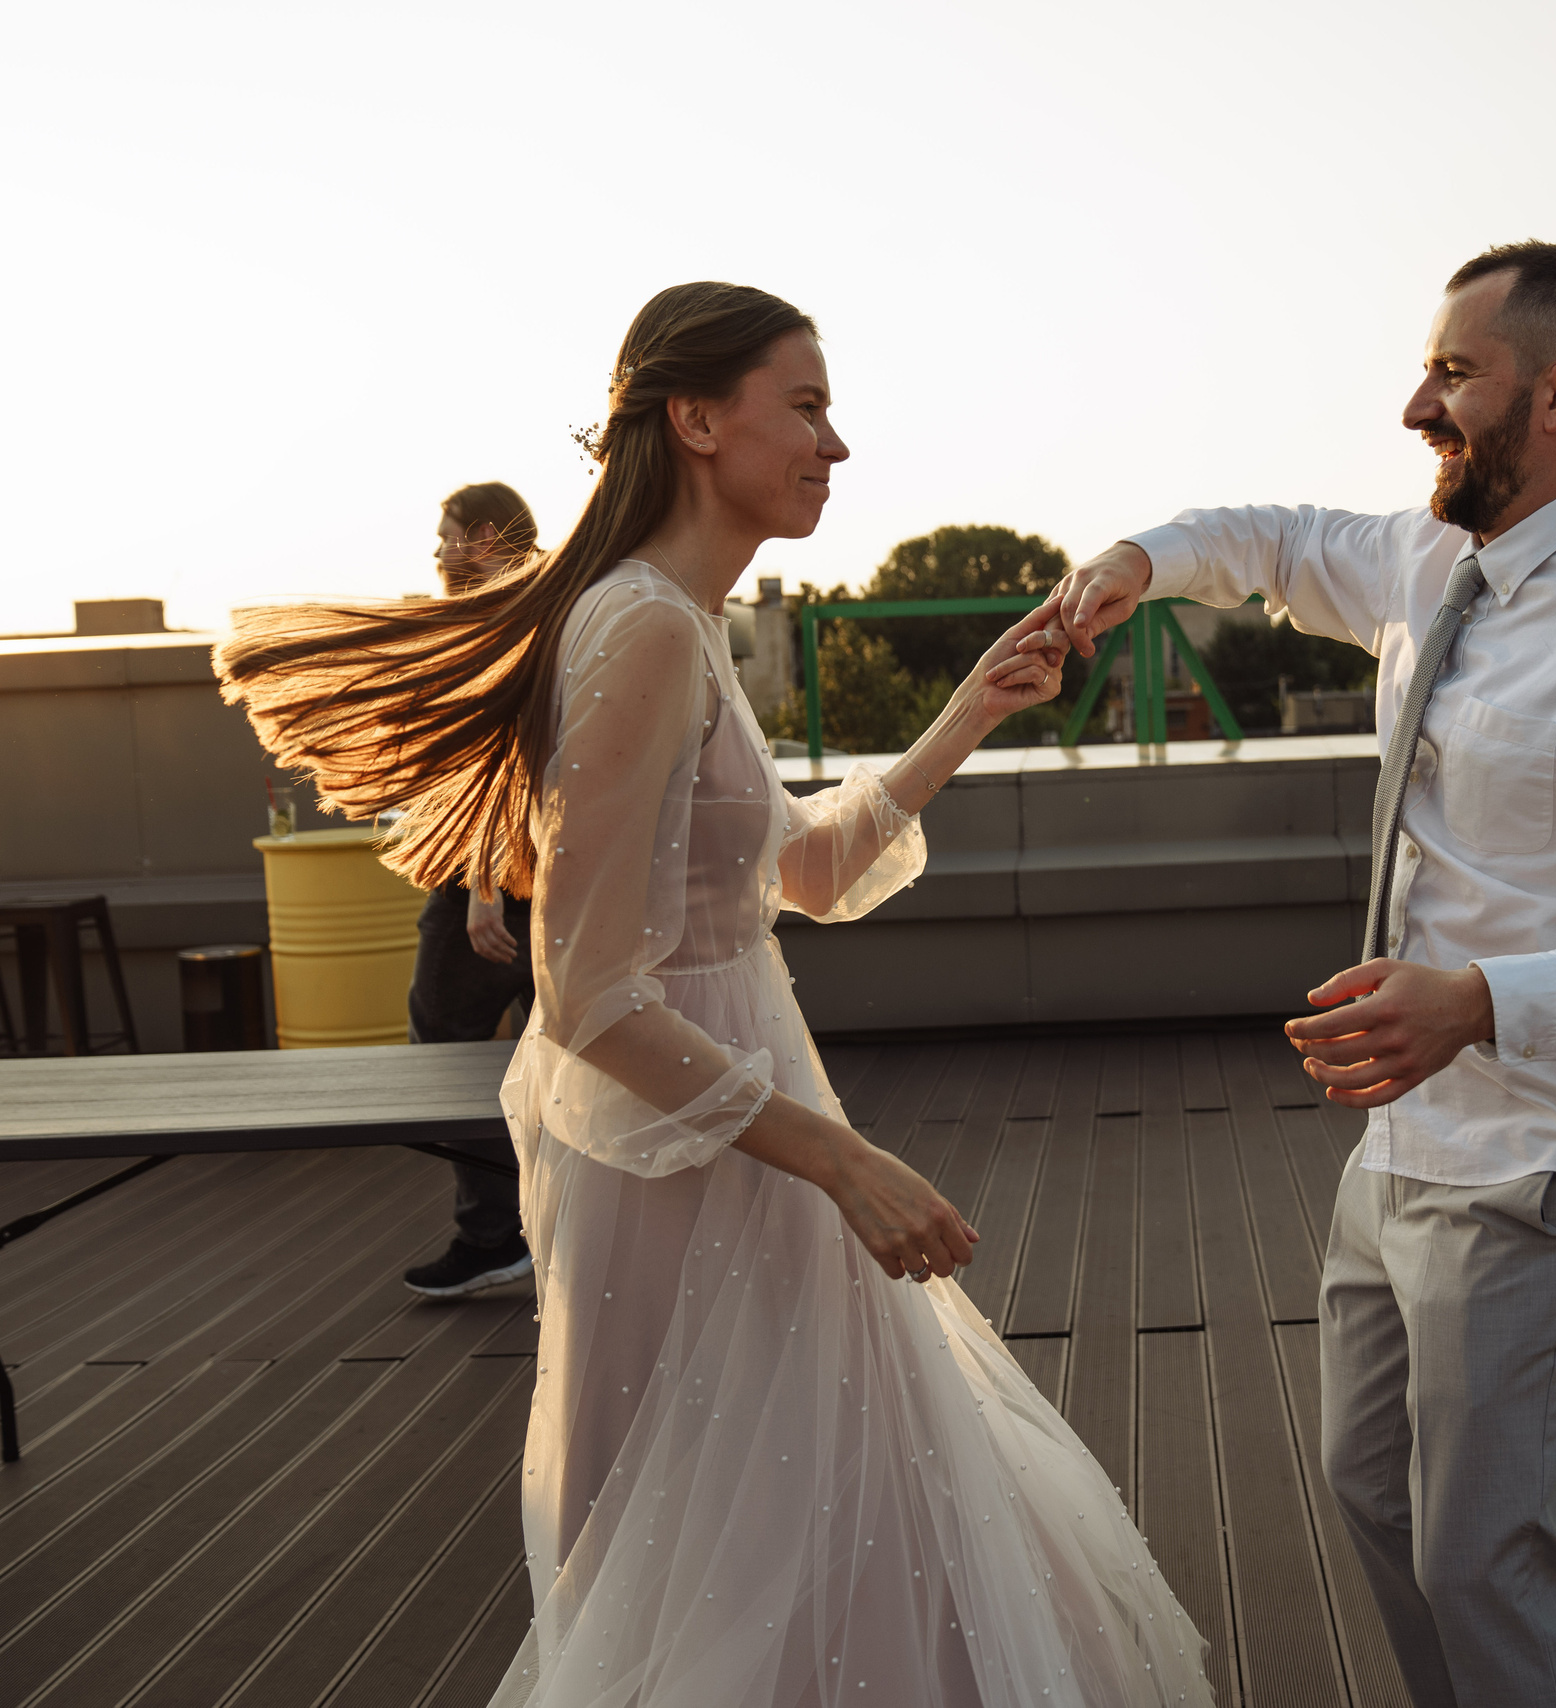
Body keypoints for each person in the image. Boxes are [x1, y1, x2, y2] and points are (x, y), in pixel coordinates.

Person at [217, 282, 1211, 1704]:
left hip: (737, 1123)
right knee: (732, 1540)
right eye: (804, 405)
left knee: (822, 1514)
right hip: (690, 1144)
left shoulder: (680, 621)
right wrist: (841, 1159)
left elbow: (799, 873)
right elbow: (586, 994)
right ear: (695, 418)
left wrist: (972, 709)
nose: (836, 444)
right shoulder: (647, 633)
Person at [1048, 241, 1556, 1707]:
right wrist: (1134, 569)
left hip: (1553, 1158)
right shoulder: (1428, 562)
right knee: (1374, 1493)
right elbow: (1264, 538)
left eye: (1454, 373)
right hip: (1401, 1138)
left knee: (1487, 1555)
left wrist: (1482, 1004)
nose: (1416, 404)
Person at [403, 481, 544, 1300]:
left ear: (483, 538)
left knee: (447, 1050)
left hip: (493, 878)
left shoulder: (501, 619)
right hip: (556, 868)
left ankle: (494, 1237)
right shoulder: (560, 602)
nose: (436, 553)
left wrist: (484, 884)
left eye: (445, 537)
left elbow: (503, 752)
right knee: (561, 1053)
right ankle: (558, 1228)